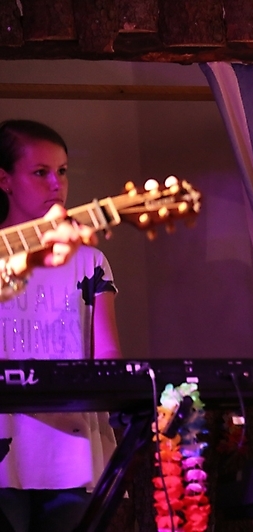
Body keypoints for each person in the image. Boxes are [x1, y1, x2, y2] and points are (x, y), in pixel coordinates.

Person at [0, 119, 122, 532]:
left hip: (71, 448)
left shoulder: (89, 260)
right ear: (4, 180)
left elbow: (107, 353)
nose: (56, 183)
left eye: (62, 171)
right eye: (40, 172)